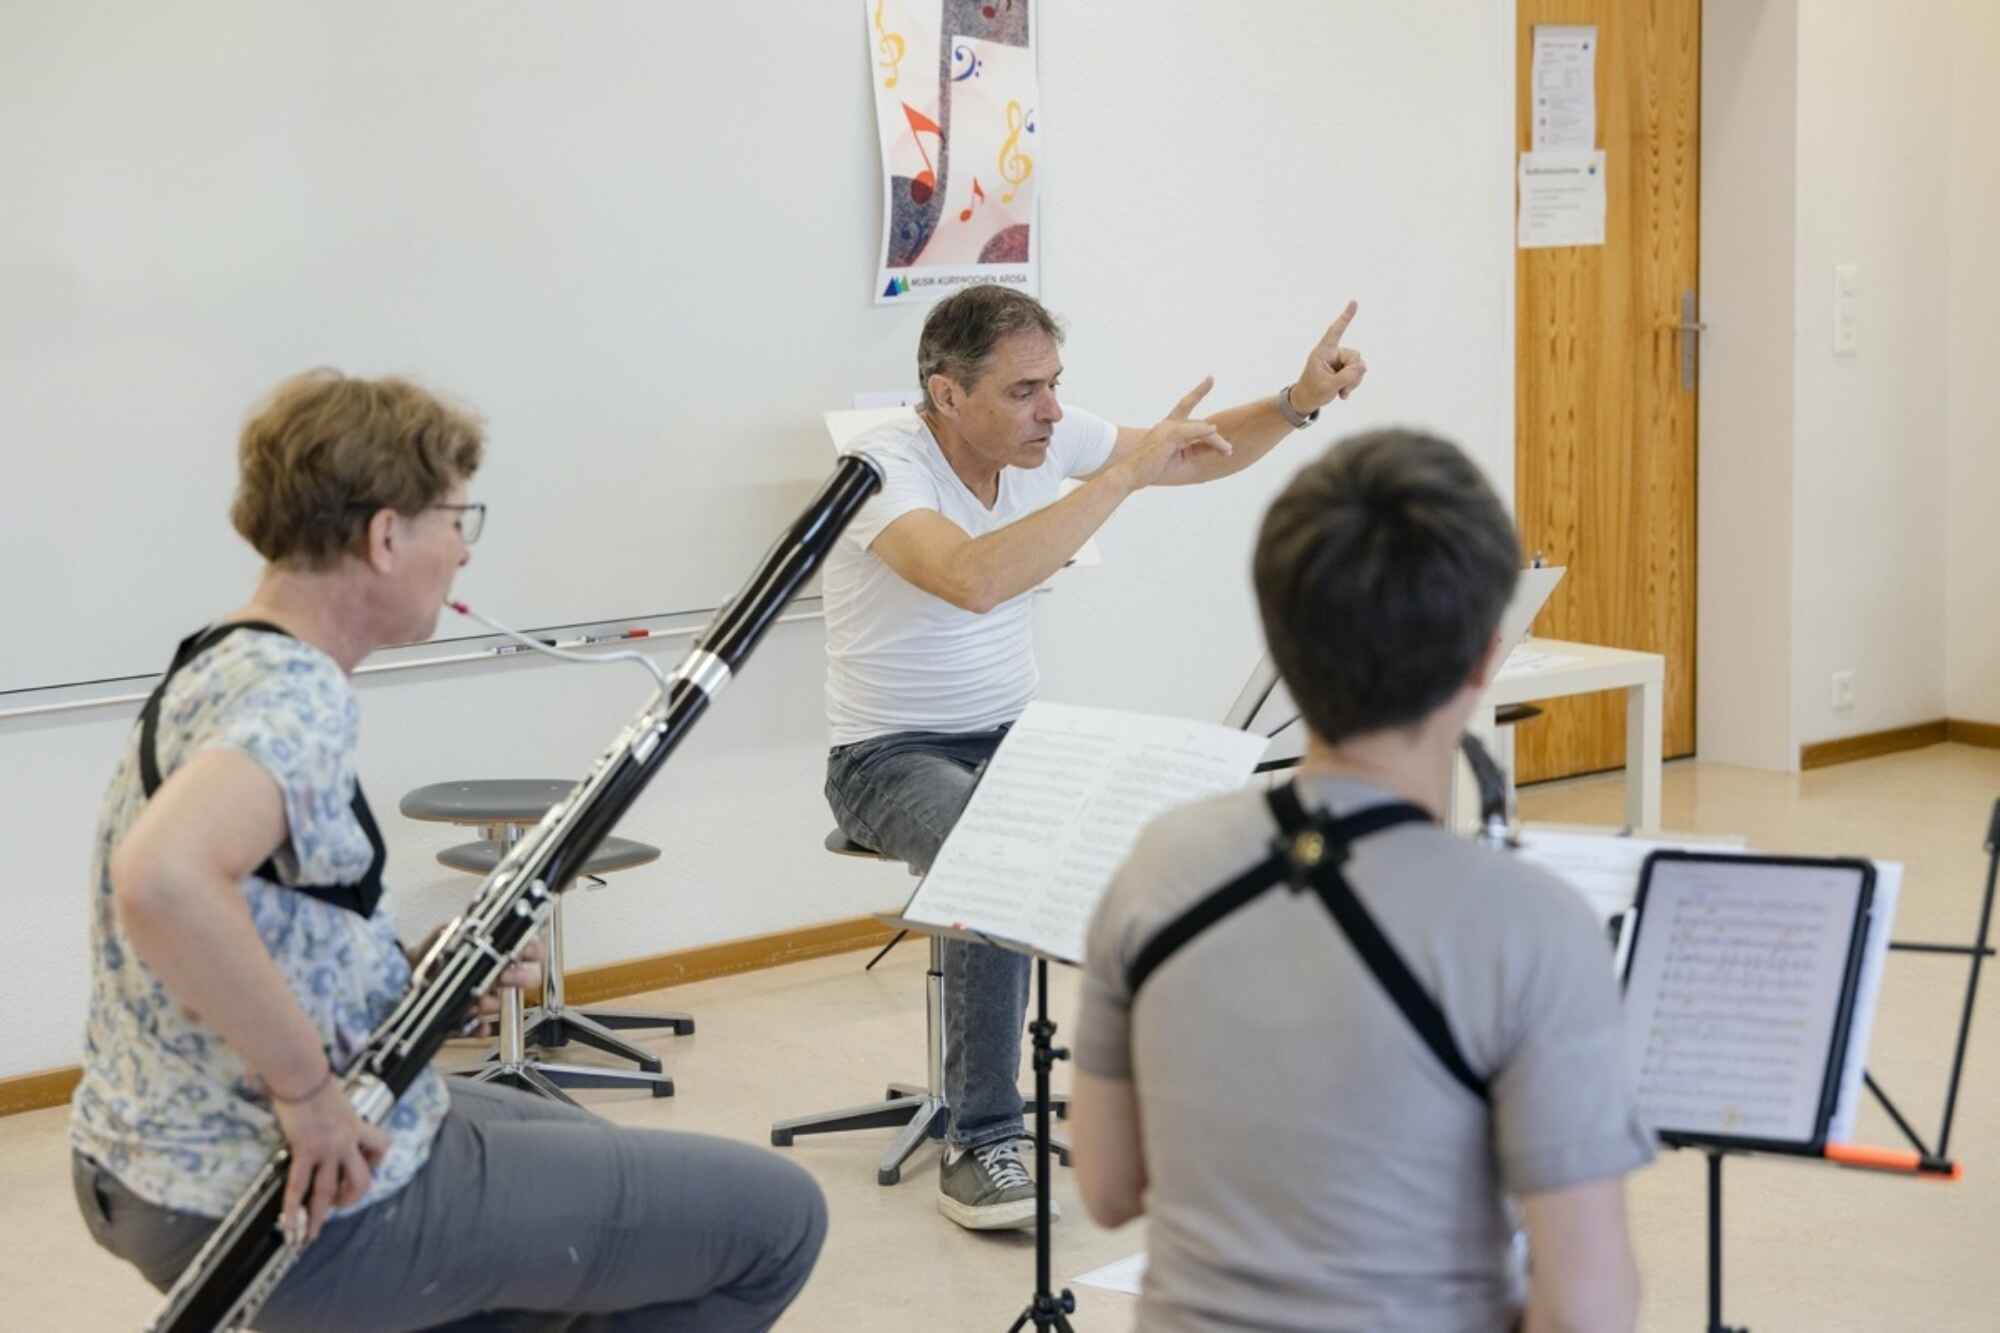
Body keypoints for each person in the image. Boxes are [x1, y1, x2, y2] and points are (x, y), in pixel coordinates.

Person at [70, 370, 826, 1331]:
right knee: (778, 1221)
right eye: (456, 519)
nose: (465, 550)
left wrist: (412, 975)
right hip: (272, 1188)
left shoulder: (221, 659)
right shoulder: (297, 696)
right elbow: (164, 879)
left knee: (569, 1148)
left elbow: (271, 911)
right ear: (385, 537)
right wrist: (307, 1093)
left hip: (142, 1156)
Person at [1068, 429, 1654, 1331]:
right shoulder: (1532, 925)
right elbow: (1585, 1310)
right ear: (1485, 657)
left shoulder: (1161, 864)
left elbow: (1108, 1187)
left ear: (1280, 640)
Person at [820, 282, 1368, 1229]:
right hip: (886, 754)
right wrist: (1121, 478)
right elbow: (971, 580)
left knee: (1178, 838)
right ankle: (982, 1133)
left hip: (1017, 735)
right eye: (1024, 390)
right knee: (992, 850)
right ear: (947, 394)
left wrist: (1295, 402)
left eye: (1055, 385)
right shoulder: (881, 468)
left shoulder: (1043, 436)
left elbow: (1191, 454)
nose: (1050, 410)